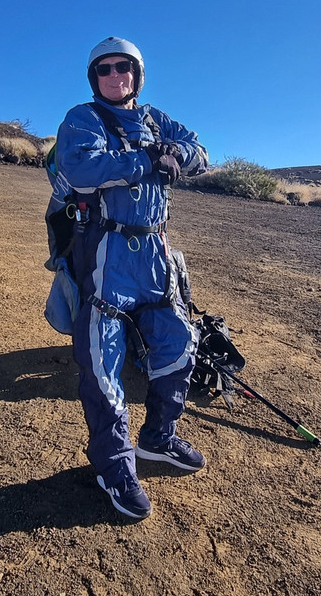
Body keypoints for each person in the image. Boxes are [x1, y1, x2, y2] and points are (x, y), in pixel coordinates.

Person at [53, 37, 209, 519]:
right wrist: (147, 160)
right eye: (105, 69)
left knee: (178, 343)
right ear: (94, 77)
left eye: (125, 68)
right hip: (107, 251)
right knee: (103, 362)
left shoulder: (158, 118)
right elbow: (81, 167)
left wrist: (177, 155)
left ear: (137, 76)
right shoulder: (82, 118)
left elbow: (198, 150)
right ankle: (114, 465)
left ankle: (158, 439)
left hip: (155, 252)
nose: (115, 76)